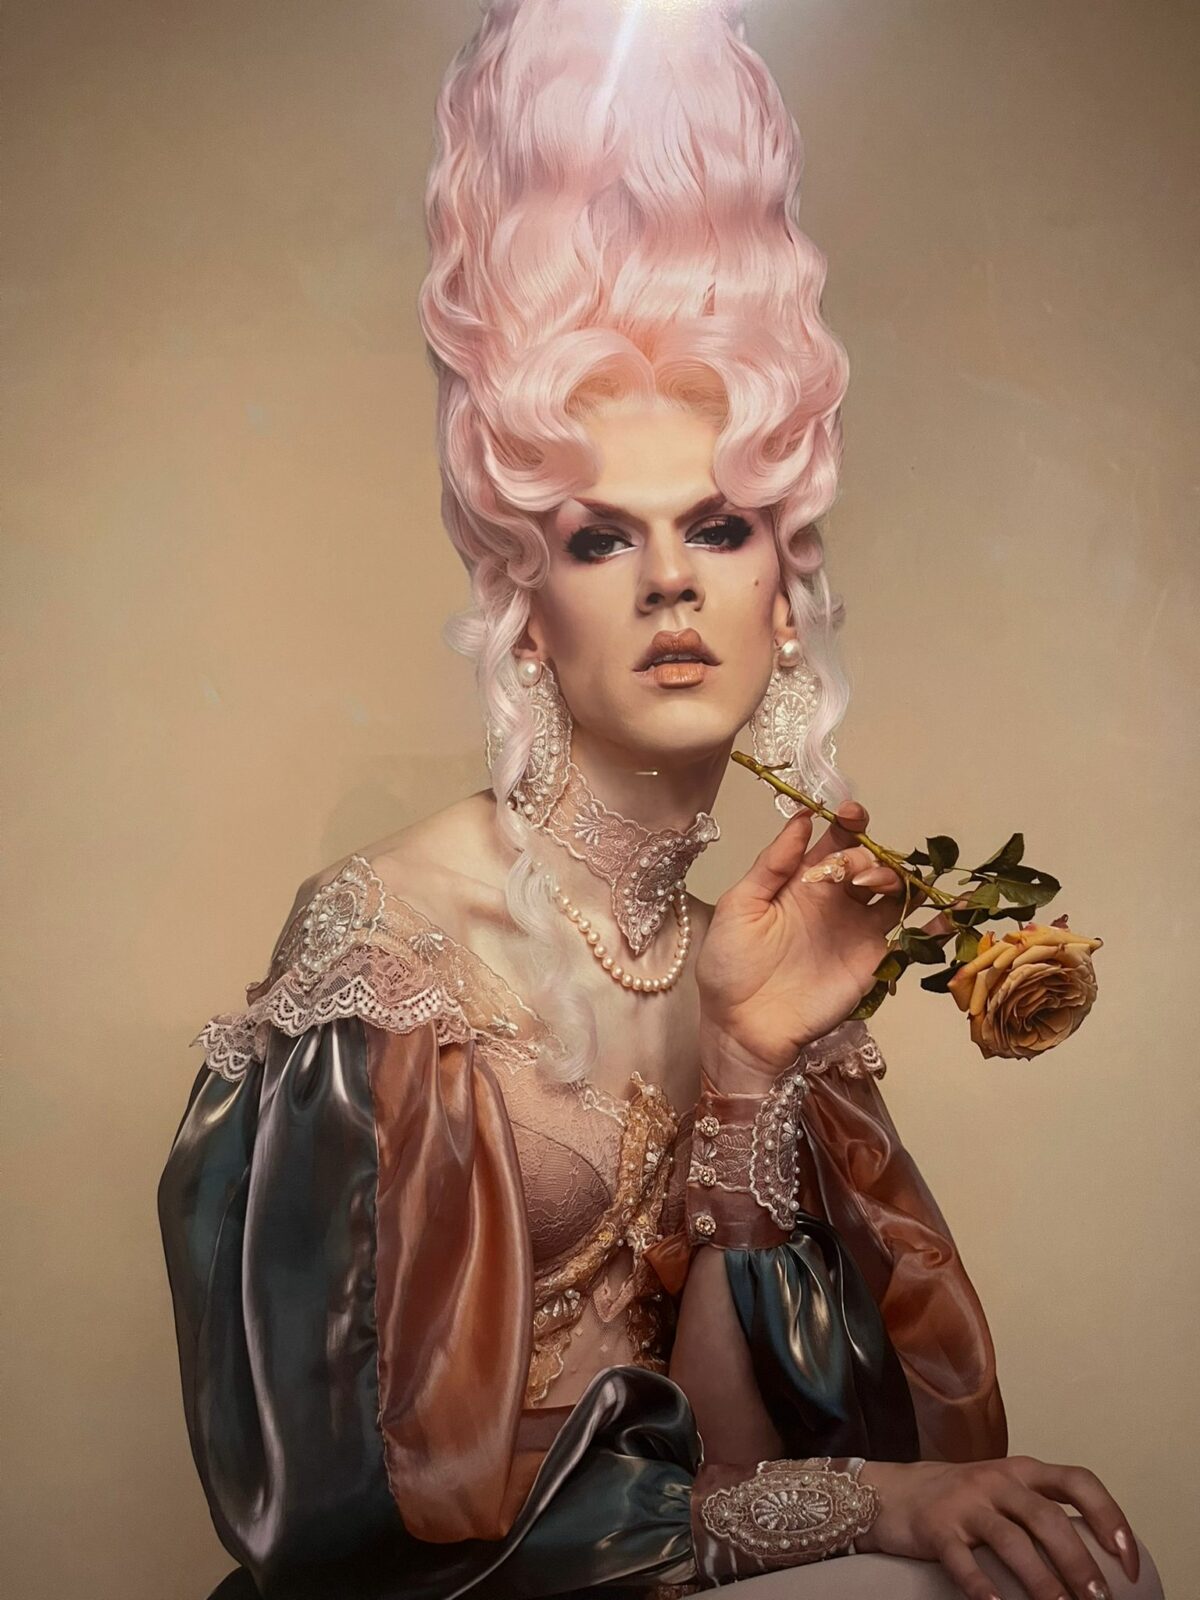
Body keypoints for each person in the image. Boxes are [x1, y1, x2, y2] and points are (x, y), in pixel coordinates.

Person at [157, 3, 1160, 1598]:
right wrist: (861, 1509)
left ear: (786, 594)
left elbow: (731, 1469)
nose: (673, 581)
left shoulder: (746, 959)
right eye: (600, 538)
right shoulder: (390, 943)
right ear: (525, 609)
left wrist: (750, 1065)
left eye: (721, 525)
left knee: (1048, 1572)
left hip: (652, 1573)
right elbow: (344, 1521)